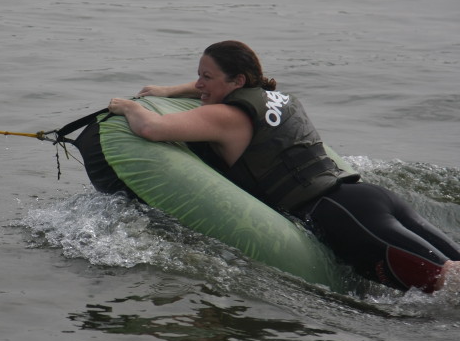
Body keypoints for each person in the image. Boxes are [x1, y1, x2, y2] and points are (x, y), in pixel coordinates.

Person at [107, 40, 460, 293]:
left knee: (448, 283)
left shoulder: (225, 116)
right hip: (368, 197)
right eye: (197, 76)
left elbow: (152, 129)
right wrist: (171, 90)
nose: (198, 85)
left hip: (339, 214)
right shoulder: (275, 95)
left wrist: (129, 107)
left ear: (237, 82)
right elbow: (228, 84)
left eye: (206, 77)